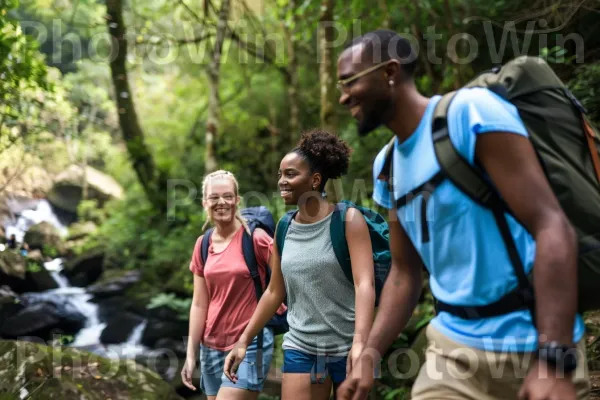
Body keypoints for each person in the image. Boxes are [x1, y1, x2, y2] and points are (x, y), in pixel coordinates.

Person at [335, 30, 590, 400]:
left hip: (532, 339)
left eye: (350, 81)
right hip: (451, 354)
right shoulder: (387, 167)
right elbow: (405, 274)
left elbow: (551, 225)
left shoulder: (469, 114)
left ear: (390, 72)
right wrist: (367, 356)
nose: (343, 97)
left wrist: (553, 360)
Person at [223, 130, 376, 400]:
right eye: (280, 174)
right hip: (301, 347)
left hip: (348, 346)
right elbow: (274, 292)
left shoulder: (348, 220)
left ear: (315, 180)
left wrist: (361, 343)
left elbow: (365, 283)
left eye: (290, 174)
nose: (282, 181)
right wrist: (244, 340)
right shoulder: (284, 227)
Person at [181, 170, 281, 400]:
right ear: (205, 202)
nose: (221, 202)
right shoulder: (203, 244)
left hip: (250, 342)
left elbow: (282, 286)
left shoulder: (256, 239)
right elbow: (199, 303)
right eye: (214, 197)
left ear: (237, 200)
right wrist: (191, 354)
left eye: (227, 196)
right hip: (211, 346)